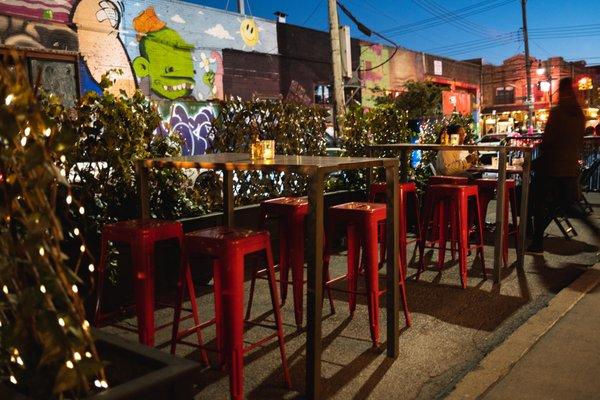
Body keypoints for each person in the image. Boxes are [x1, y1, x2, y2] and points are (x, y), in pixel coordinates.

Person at [528, 77, 598, 254]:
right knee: (565, 205)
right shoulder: (579, 114)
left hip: (551, 166)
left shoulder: (558, 112)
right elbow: (578, 140)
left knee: (538, 203)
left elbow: (549, 140)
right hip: (569, 168)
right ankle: (595, 230)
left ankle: (536, 243)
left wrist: (540, 145)